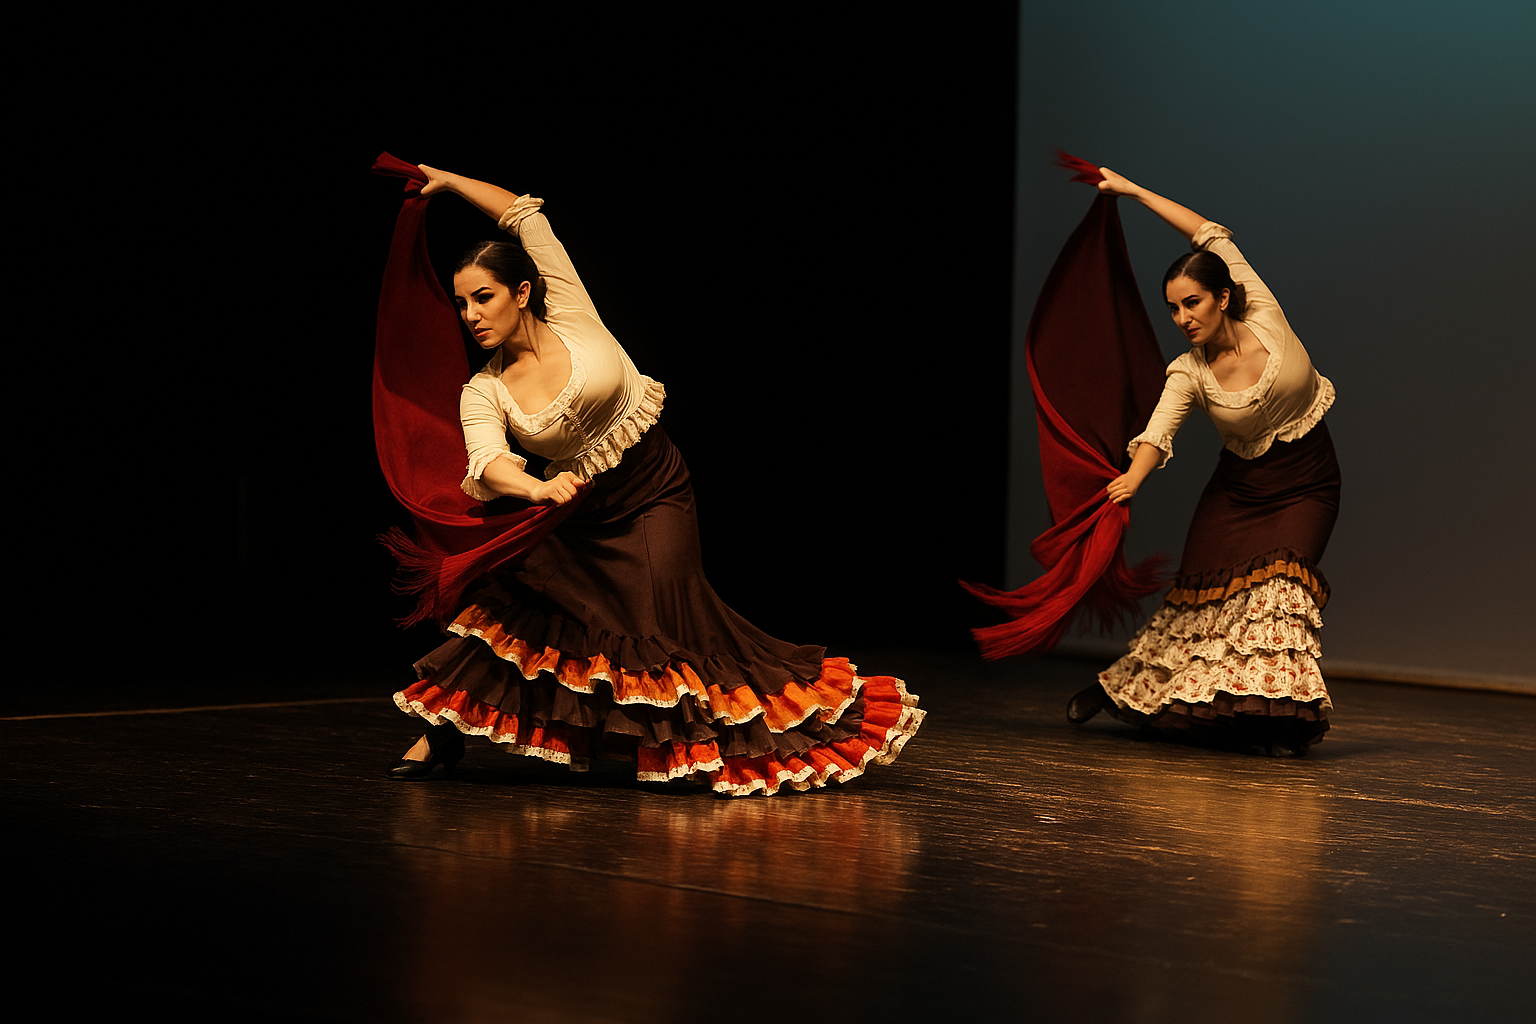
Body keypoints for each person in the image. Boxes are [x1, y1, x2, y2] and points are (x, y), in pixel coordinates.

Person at [384, 165, 925, 793]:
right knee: (520, 616)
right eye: (461, 303)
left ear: (523, 293)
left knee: (668, 614)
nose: (471, 314)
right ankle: (446, 732)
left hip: (654, 487)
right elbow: (488, 462)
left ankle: (742, 734)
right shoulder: (485, 388)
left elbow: (524, 217)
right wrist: (536, 488)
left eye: (484, 297)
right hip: (574, 514)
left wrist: (447, 183)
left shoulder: (569, 307)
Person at [1065, 168, 1340, 756]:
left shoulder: (1263, 310)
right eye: (1172, 310)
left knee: (1280, 596)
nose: (1184, 317)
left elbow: (1207, 235)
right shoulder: (1190, 371)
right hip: (1238, 494)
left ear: (1221, 297)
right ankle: (1123, 692)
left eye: (1192, 302)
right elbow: (1158, 430)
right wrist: (1132, 479)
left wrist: (1135, 192)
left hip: (1308, 484)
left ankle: (1278, 723)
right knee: (1200, 612)